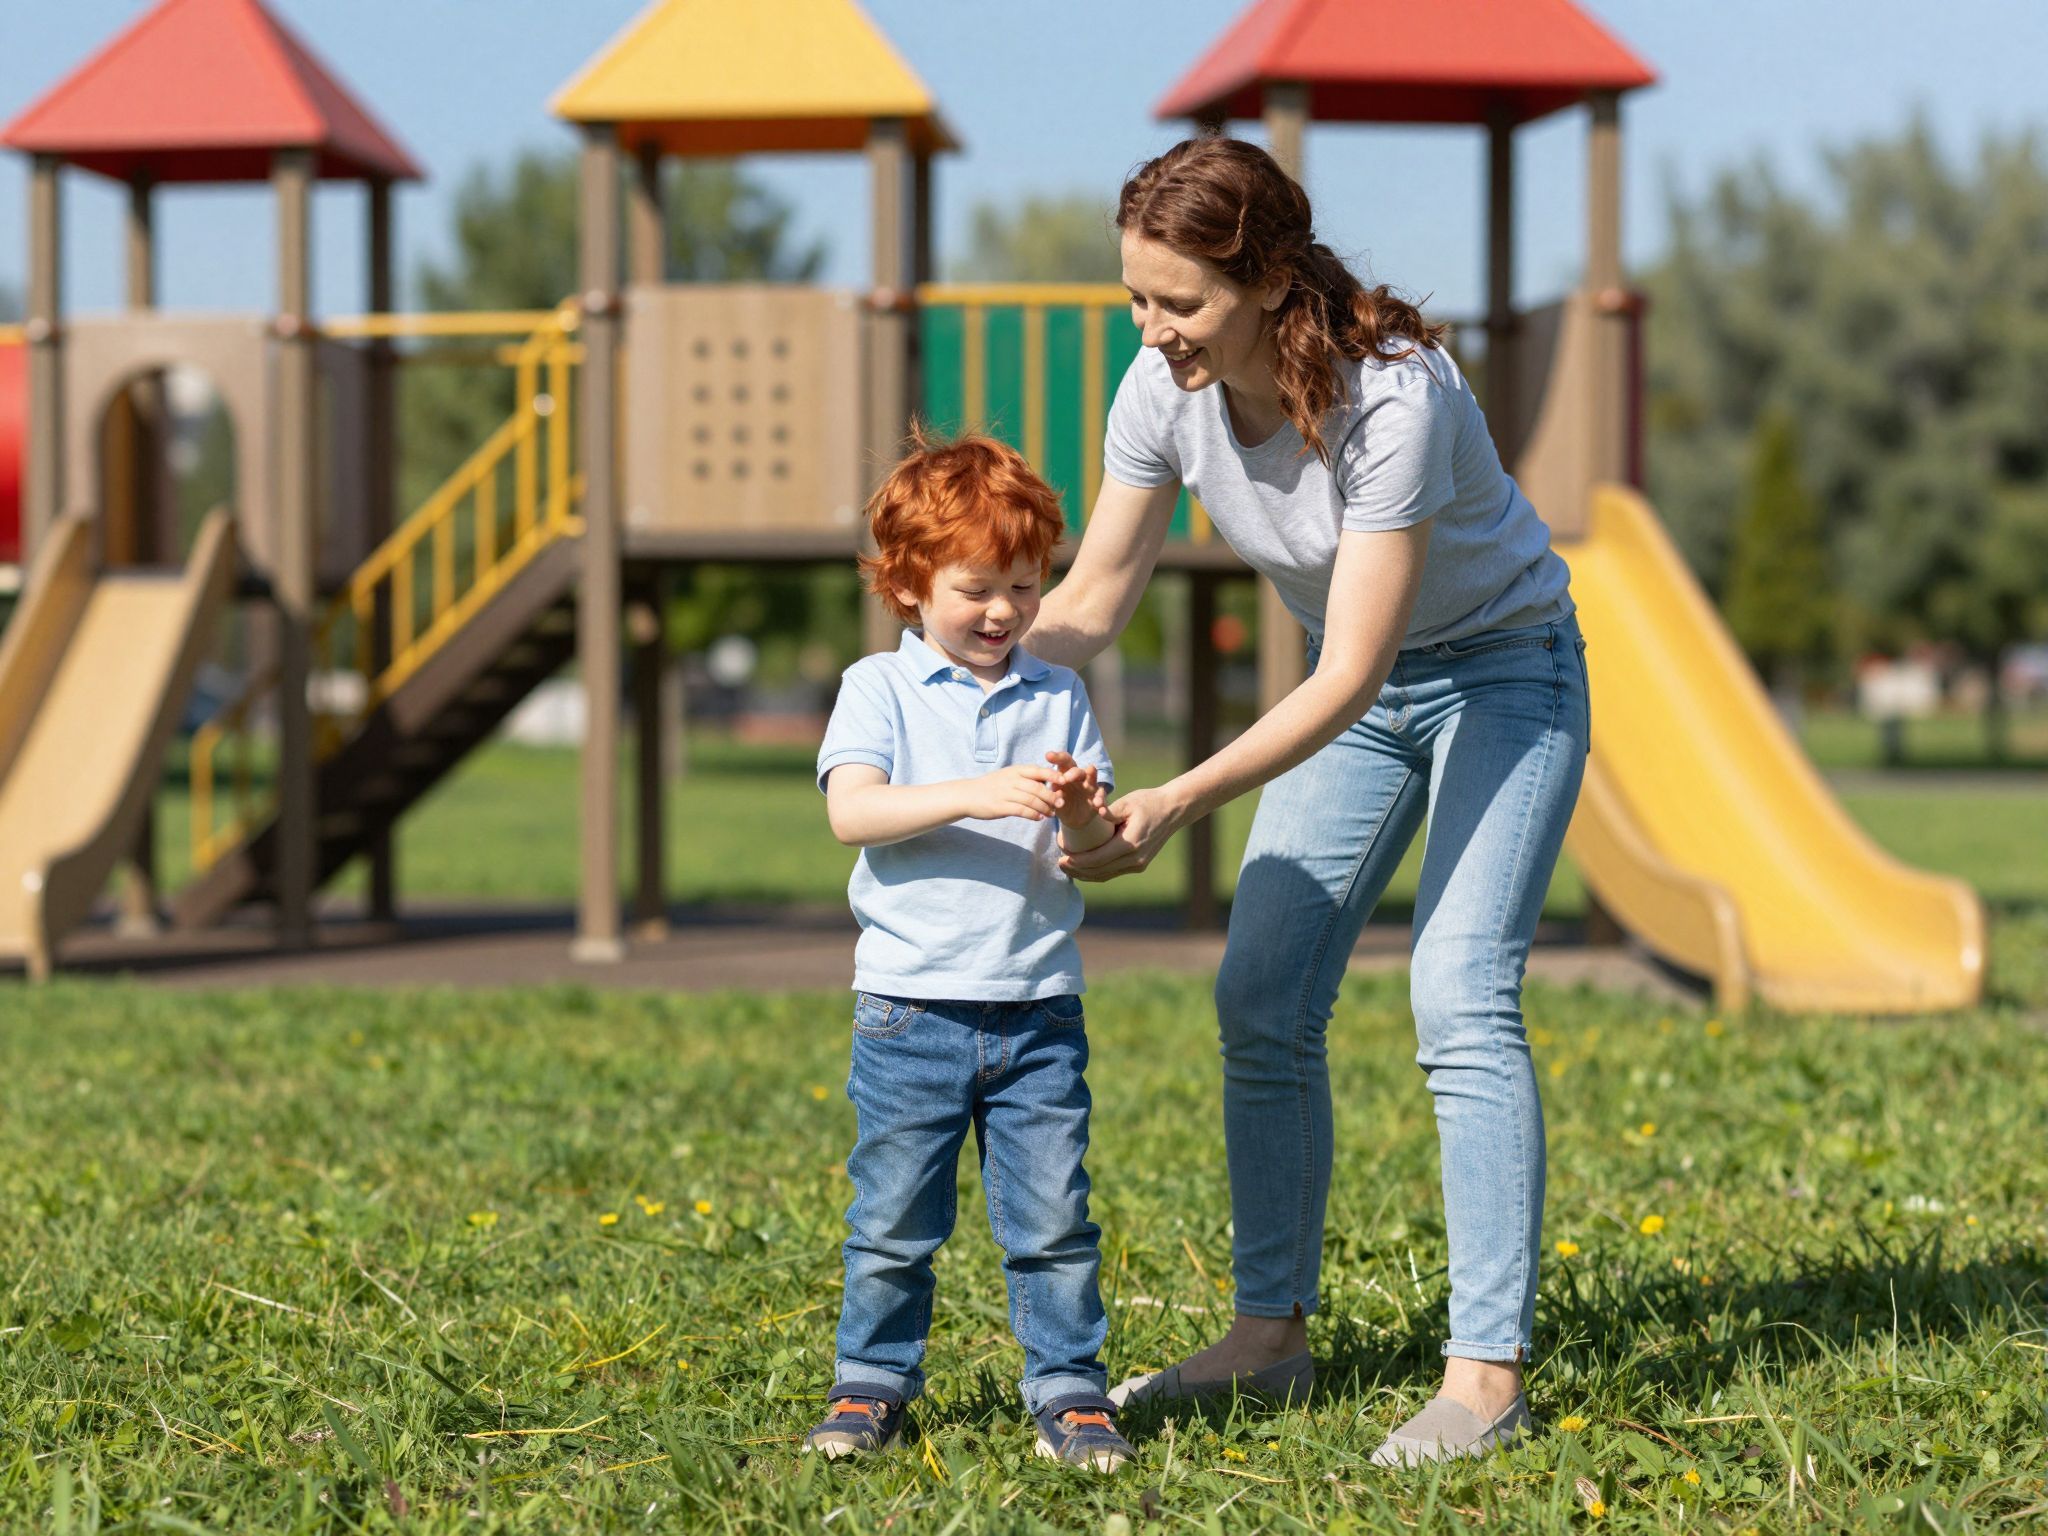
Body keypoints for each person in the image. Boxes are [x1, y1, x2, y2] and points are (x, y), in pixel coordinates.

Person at [1025, 137, 1590, 1467]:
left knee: (1459, 994)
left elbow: (1348, 671)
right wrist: (962, 676)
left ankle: (1485, 1376)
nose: (1155, 330)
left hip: (1503, 672)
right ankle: (1270, 1338)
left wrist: (1174, 804)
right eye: (1138, 298)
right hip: (1369, 688)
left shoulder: (1394, 397)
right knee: (1262, 998)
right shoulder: (1161, 389)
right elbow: (1094, 601)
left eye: (1183, 303)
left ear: (1274, 279)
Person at [802, 432, 1134, 1472]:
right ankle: (871, 1385)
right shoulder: (877, 691)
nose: (1002, 612)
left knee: (1051, 1220)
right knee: (895, 1219)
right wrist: (979, 791)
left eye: (1024, 587)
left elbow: (1091, 857)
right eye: (975, 588)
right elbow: (852, 814)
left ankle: (1070, 1388)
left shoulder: (1058, 695)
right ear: (907, 586)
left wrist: (1083, 817)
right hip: (911, 1011)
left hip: (1036, 1007)